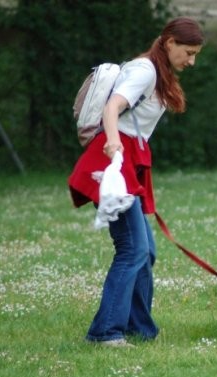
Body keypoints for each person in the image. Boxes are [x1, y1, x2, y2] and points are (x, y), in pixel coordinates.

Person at [68, 17, 204, 347]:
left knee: (145, 252)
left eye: (196, 54)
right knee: (132, 250)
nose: (192, 61)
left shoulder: (157, 71)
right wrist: (113, 143)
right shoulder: (145, 70)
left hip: (130, 159)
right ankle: (105, 332)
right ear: (169, 42)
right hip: (114, 161)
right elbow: (113, 107)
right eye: (188, 52)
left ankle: (139, 329)